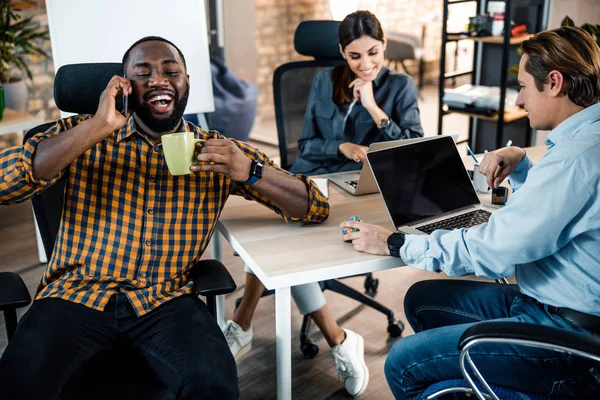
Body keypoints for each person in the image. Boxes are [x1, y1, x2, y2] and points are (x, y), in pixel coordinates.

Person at [0, 36, 329, 399]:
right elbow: (4, 185)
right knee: (18, 385)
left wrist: (251, 170)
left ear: (187, 82)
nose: (158, 79)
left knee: (215, 386)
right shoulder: (82, 133)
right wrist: (95, 127)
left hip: (165, 300)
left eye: (171, 71)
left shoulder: (216, 151)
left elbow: (314, 206)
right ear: (123, 86)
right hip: (75, 295)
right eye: (143, 73)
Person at [341, 26, 600, 399]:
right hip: (556, 305)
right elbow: (553, 215)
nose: (520, 100)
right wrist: (524, 164)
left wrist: (396, 243)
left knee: (402, 363)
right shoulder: (582, 142)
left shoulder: (575, 160)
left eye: (524, 86)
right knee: (422, 300)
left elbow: (495, 252)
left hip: (563, 336)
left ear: (555, 82)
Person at [224, 10, 423, 398]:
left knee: (281, 246)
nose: (366, 64)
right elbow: (307, 145)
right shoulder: (323, 80)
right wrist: (342, 146)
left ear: (384, 47)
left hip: (365, 189)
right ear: (341, 54)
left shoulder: (401, 86)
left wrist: (373, 110)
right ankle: (339, 339)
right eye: (354, 56)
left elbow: (412, 146)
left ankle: (242, 324)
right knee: (280, 238)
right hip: (313, 179)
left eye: (374, 52)